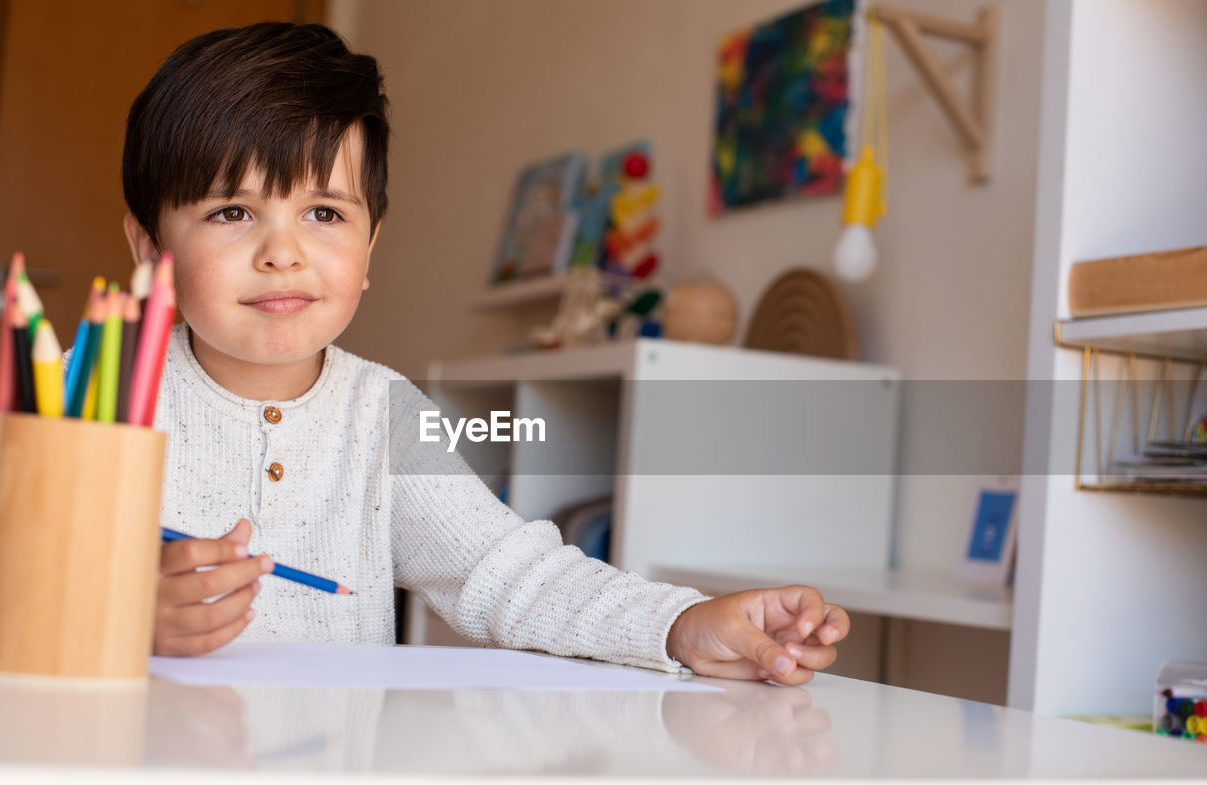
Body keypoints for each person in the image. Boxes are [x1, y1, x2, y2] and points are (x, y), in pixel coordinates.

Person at [121, 21, 849, 684]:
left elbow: (511, 575)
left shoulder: (385, 416)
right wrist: (127, 617)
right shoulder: (92, 404)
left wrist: (682, 626)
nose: (282, 253)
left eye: (323, 213)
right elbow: (14, 584)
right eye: (232, 212)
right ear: (150, 246)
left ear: (369, 245)